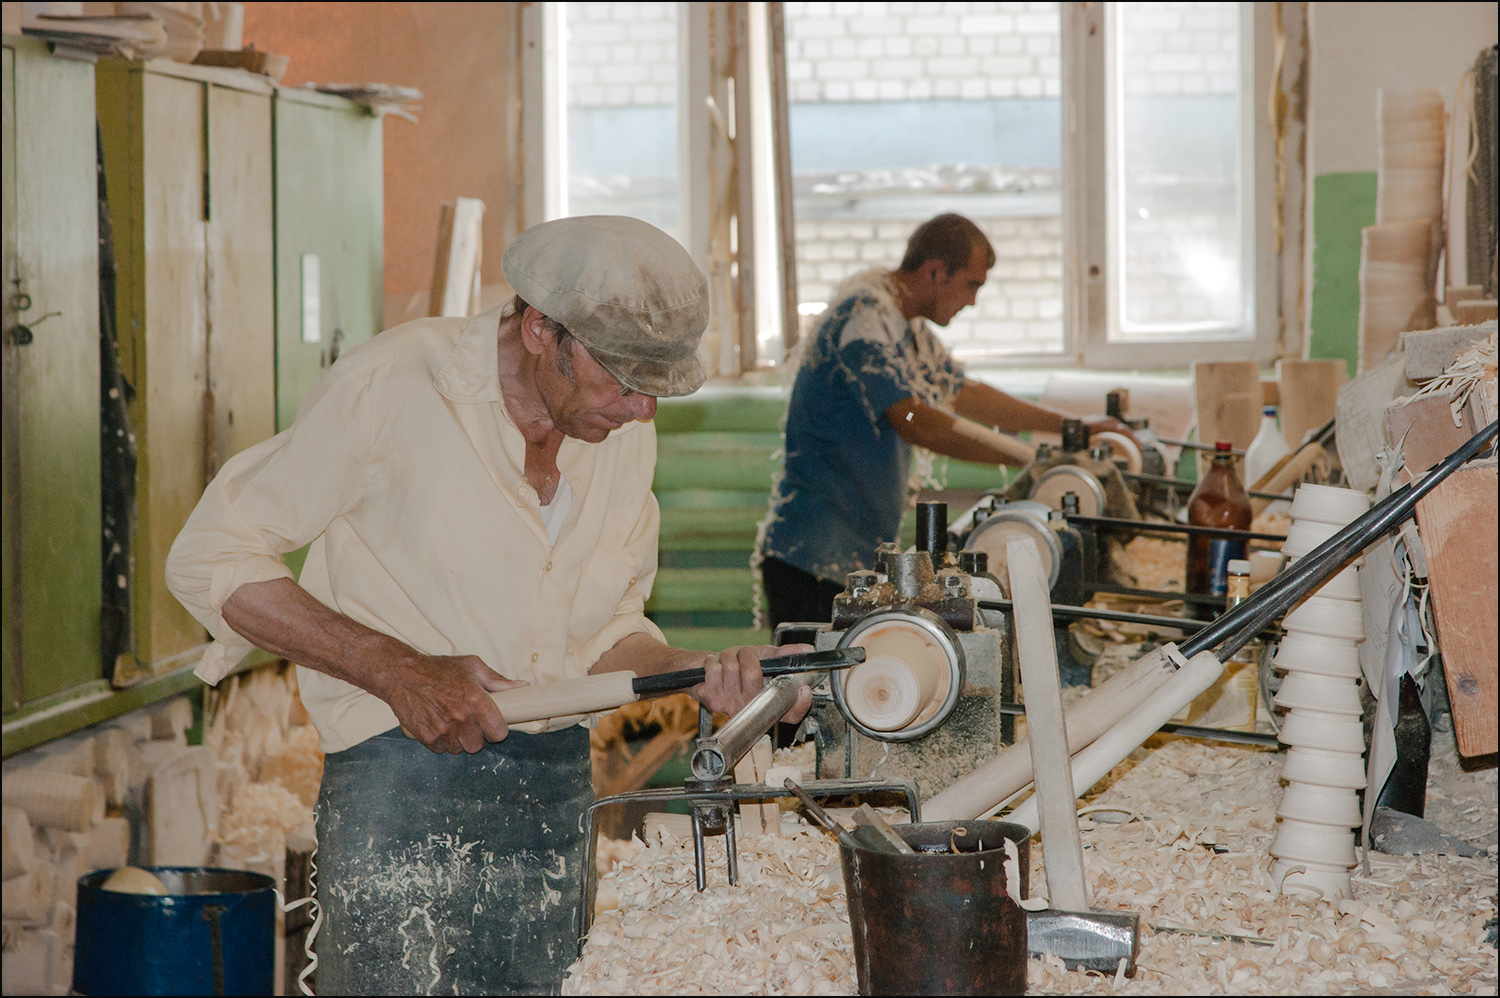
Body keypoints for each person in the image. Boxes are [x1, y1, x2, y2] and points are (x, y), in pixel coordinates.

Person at [166, 215, 811, 995]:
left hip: (554, 786)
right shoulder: (396, 383)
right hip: (400, 776)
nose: (641, 410)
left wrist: (694, 670)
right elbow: (212, 554)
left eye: (654, 389)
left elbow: (605, 631)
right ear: (542, 329)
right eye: (624, 381)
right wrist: (396, 669)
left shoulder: (617, 430)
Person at [758, 213, 1130, 630]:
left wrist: (1072, 430)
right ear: (935, 271)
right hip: (813, 558)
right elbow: (917, 421)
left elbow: (965, 394)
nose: (972, 300)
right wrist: (1033, 459)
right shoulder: (865, 319)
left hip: (848, 554)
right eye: (971, 285)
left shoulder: (905, 327)